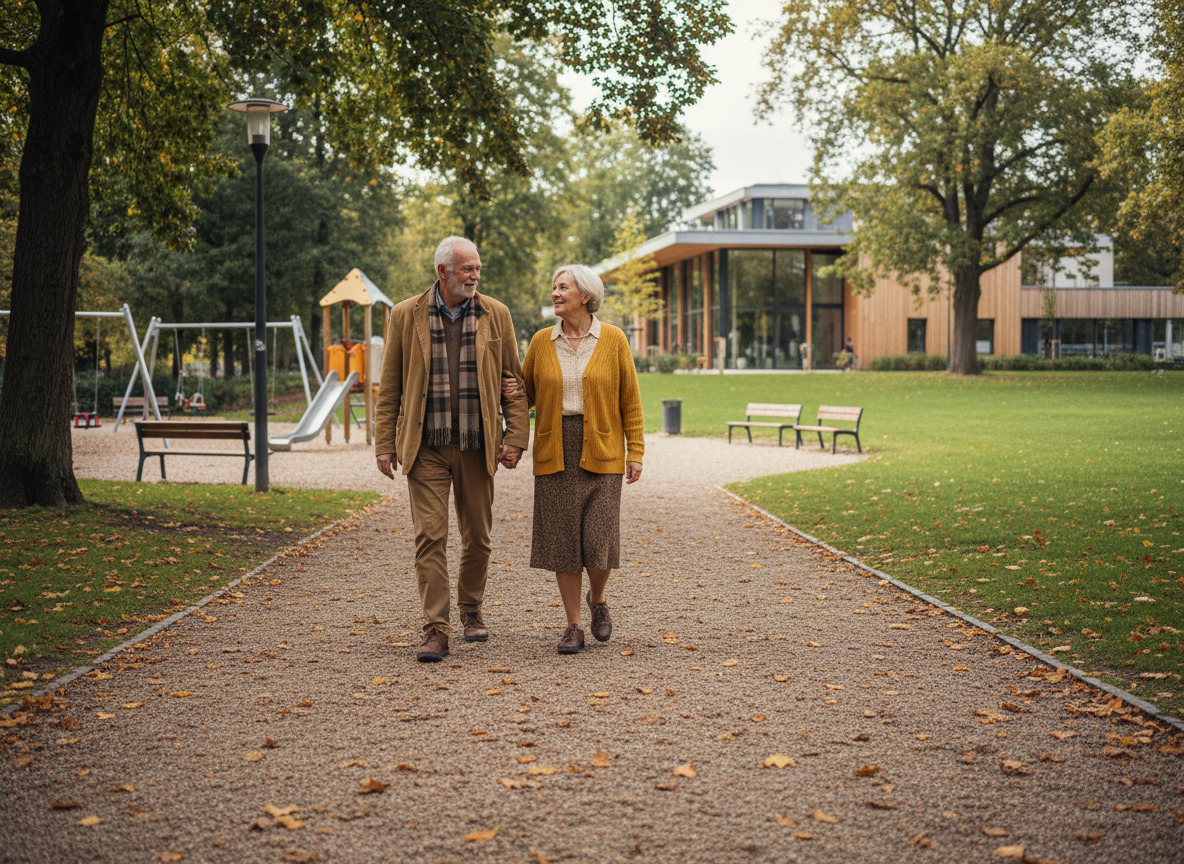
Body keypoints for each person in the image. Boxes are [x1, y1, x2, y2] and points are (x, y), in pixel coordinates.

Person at [374, 236, 529, 662]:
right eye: (466, 269)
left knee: (478, 536)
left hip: (478, 445)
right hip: (425, 445)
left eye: (477, 268)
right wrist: (384, 443)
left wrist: (515, 437)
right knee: (430, 537)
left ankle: (471, 608)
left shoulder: (496, 313)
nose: (475, 276)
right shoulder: (406, 315)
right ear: (442, 272)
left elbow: (513, 382)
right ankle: (436, 629)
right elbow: (390, 386)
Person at [520, 264, 644, 655]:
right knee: (563, 542)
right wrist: (509, 399)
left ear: (585, 296)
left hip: (604, 449)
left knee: (599, 539)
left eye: (562, 287)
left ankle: (598, 598)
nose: (555, 293)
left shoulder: (613, 339)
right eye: (553, 288)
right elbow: (524, 396)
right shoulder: (541, 342)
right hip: (556, 448)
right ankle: (574, 623)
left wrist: (635, 451)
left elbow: (631, 400)